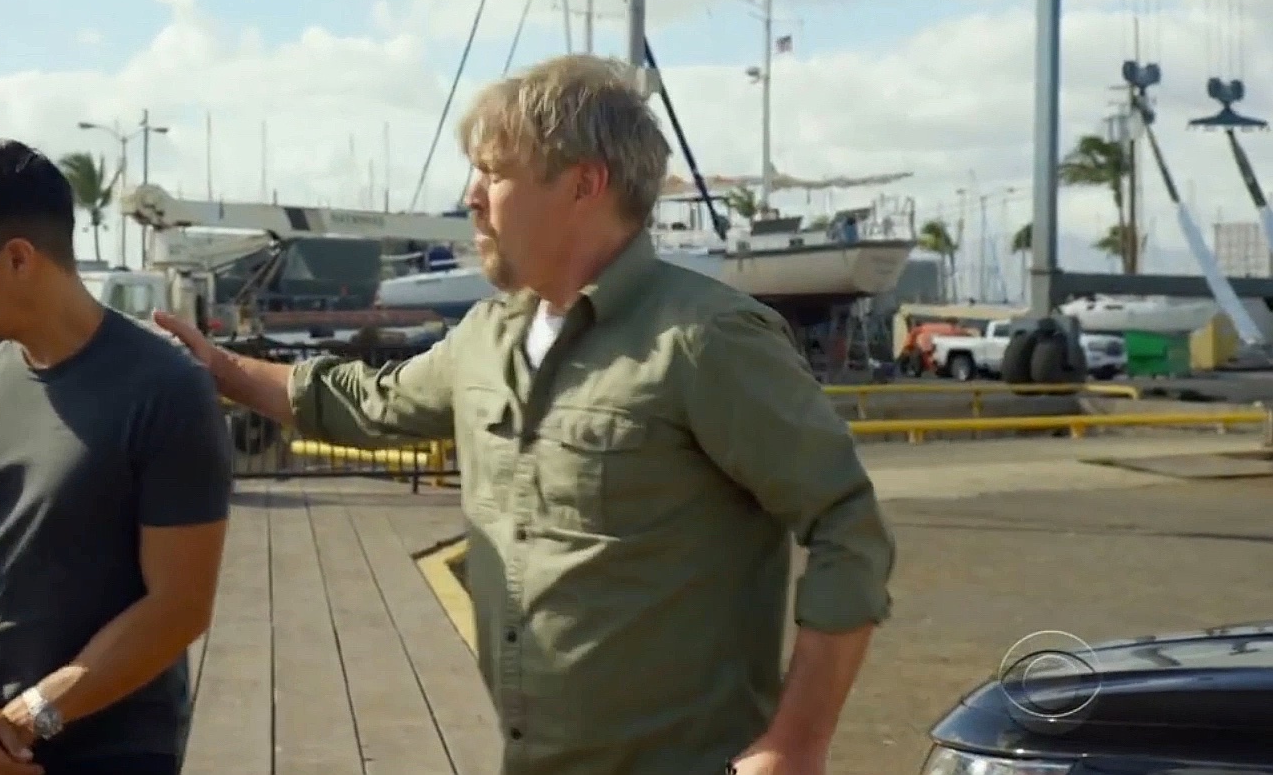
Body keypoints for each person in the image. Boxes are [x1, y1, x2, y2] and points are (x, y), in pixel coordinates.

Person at [153, 54, 896, 775]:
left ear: (584, 184)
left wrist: (797, 742)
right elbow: (366, 402)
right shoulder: (488, 338)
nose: (472, 197)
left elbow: (846, 522)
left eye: (494, 172)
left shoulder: (708, 339)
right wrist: (218, 370)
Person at [0, 139, 232, 775]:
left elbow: (180, 605)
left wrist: (26, 721)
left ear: (18, 259)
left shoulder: (166, 388)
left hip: (112, 751)